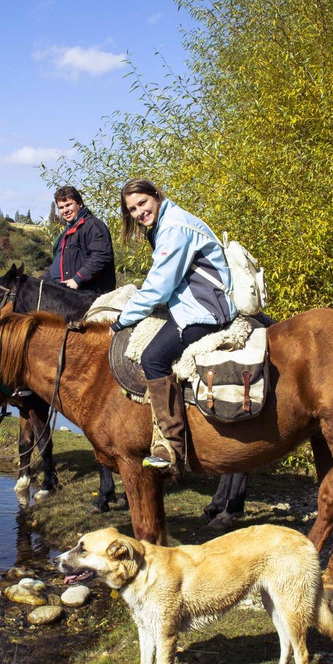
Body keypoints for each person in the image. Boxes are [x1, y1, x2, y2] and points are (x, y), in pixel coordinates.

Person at [110, 178, 237, 472]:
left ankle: (171, 447)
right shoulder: (167, 223)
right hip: (192, 303)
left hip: (204, 309)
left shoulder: (174, 228)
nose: (139, 212)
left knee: (152, 357)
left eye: (142, 203)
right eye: (132, 209)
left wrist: (120, 321)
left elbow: (158, 288)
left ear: (156, 195)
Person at [43, 186, 116, 295]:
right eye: (61, 207)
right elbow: (58, 264)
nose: (65, 210)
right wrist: (40, 282)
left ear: (80, 204)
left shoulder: (93, 226)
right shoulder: (67, 233)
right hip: (66, 295)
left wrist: (77, 279)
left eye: (68, 205)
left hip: (89, 296)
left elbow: (102, 256)